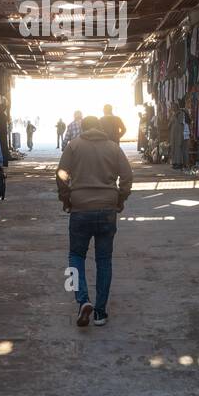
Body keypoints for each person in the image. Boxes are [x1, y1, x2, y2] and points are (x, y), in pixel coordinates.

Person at [57, 115, 132, 328]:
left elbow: (61, 173)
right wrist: (120, 197)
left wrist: (66, 197)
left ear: (83, 128)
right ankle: (100, 312)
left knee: (75, 256)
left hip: (80, 209)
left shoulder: (73, 146)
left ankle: (82, 300)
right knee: (104, 260)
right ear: (99, 128)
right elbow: (127, 176)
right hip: (107, 210)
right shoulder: (113, 148)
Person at [169, 105, 189, 170]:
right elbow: (170, 124)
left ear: (176, 107)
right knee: (174, 148)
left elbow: (182, 124)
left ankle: (180, 163)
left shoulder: (181, 114)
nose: (172, 109)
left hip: (180, 133)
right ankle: (175, 162)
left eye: (173, 107)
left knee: (180, 148)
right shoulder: (174, 114)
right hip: (174, 134)